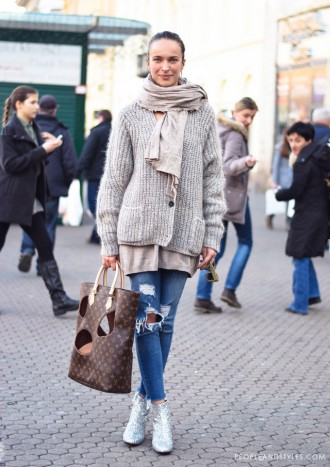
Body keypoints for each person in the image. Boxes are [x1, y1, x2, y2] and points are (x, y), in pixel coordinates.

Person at [96, 31, 226, 454]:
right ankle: (160, 407)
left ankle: (140, 401)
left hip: (184, 232)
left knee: (165, 321)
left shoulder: (203, 113)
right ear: (147, 62)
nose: (165, 67)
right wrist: (108, 237)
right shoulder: (131, 114)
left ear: (183, 62)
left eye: (172, 59)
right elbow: (114, 179)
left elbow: (212, 177)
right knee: (146, 319)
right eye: (157, 59)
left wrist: (213, 231)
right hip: (137, 231)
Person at [0, 85, 79, 317]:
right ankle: (60, 298)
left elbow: (34, 162)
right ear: (19, 105)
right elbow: (10, 165)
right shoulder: (9, 131)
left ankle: (59, 299)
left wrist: (51, 148)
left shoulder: (33, 127)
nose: (37, 106)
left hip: (29, 198)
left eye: (37, 102)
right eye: (33, 102)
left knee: (44, 245)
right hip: (8, 199)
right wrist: (44, 150)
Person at [194, 97, 258, 313]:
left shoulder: (219, 128)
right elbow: (228, 166)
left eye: (252, 117)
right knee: (246, 242)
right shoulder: (235, 134)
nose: (248, 120)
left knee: (215, 248)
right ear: (235, 112)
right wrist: (246, 162)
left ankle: (203, 297)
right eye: (246, 115)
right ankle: (229, 289)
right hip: (233, 197)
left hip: (217, 196)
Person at [18, 94, 78, 275]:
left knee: (28, 219)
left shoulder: (27, 127)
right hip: (52, 186)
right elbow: (70, 163)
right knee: (49, 225)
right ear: (54, 109)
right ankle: (43, 265)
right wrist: (65, 184)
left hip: (29, 183)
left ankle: (27, 250)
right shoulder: (62, 132)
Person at [275, 122, 330, 315]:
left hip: (307, 214)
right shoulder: (320, 154)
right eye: (290, 140)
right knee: (304, 255)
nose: (293, 144)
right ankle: (312, 294)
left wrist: (278, 194)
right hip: (321, 213)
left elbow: (296, 189)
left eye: (297, 140)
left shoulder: (304, 160)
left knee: (298, 257)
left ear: (308, 139)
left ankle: (299, 304)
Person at [76, 109, 112, 245]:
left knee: (94, 206)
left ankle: (102, 235)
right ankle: (96, 236)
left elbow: (87, 153)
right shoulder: (114, 130)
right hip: (109, 175)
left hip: (95, 175)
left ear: (101, 117)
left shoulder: (96, 132)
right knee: (104, 205)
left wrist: (77, 171)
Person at [265, 126, 293, 230]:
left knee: (290, 202)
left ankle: (288, 222)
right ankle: (270, 216)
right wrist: (274, 181)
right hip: (282, 179)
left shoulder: (295, 147)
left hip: (292, 179)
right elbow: (276, 165)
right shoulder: (280, 147)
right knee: (277, 201)